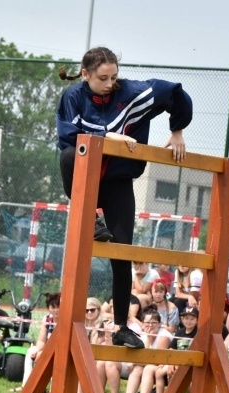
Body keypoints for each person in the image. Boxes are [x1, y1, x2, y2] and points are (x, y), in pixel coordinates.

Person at [57, 46, 192, 349]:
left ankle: (121, 326)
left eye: (113, 77)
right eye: (102, 78)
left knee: (121, 251)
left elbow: (174, 93)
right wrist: (107, 138)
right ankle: (88, 213)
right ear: (85, 74)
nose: (109, 84)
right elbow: (67, 136)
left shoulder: (132, 93)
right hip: (84, 178)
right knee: (67, 155)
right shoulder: (73, 98)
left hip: (117, 181)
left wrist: (178, 129)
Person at [118, 307, 173, 393]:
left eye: (154, 323)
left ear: (159, 324)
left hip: (161, 367)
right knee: (137, 369)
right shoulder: (142, 335)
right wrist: (148, 338)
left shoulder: (164, 336)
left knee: (147, 368)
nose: (150, 325)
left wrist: (135, 361)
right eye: (147, 323)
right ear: (142, 324)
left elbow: (157, 360)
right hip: (148, 364)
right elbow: (140, 355)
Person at [11, 292, 60, 393]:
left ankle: (53, 391)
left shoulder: (66, 320)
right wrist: (38, 351)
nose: (55, 310)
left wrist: (45, 352)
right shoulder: (47, 318)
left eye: (58, 306)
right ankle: (26, 386)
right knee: (31, 351)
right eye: (52, 307)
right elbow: (42, 340)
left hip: (60, 350)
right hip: (47, 349)